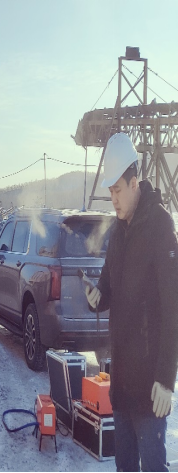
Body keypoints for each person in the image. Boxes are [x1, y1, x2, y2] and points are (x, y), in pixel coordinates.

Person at [85, 132, 178, 471]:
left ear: (134, 183)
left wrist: (166, 379)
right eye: (110, 192)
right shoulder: (117, 233)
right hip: (121, 382)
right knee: (124, 467)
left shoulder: (161, 227)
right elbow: (107, 287)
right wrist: (97, 297)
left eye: (117, 191)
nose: (113, 199)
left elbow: (173, 308)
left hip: (151, 387)